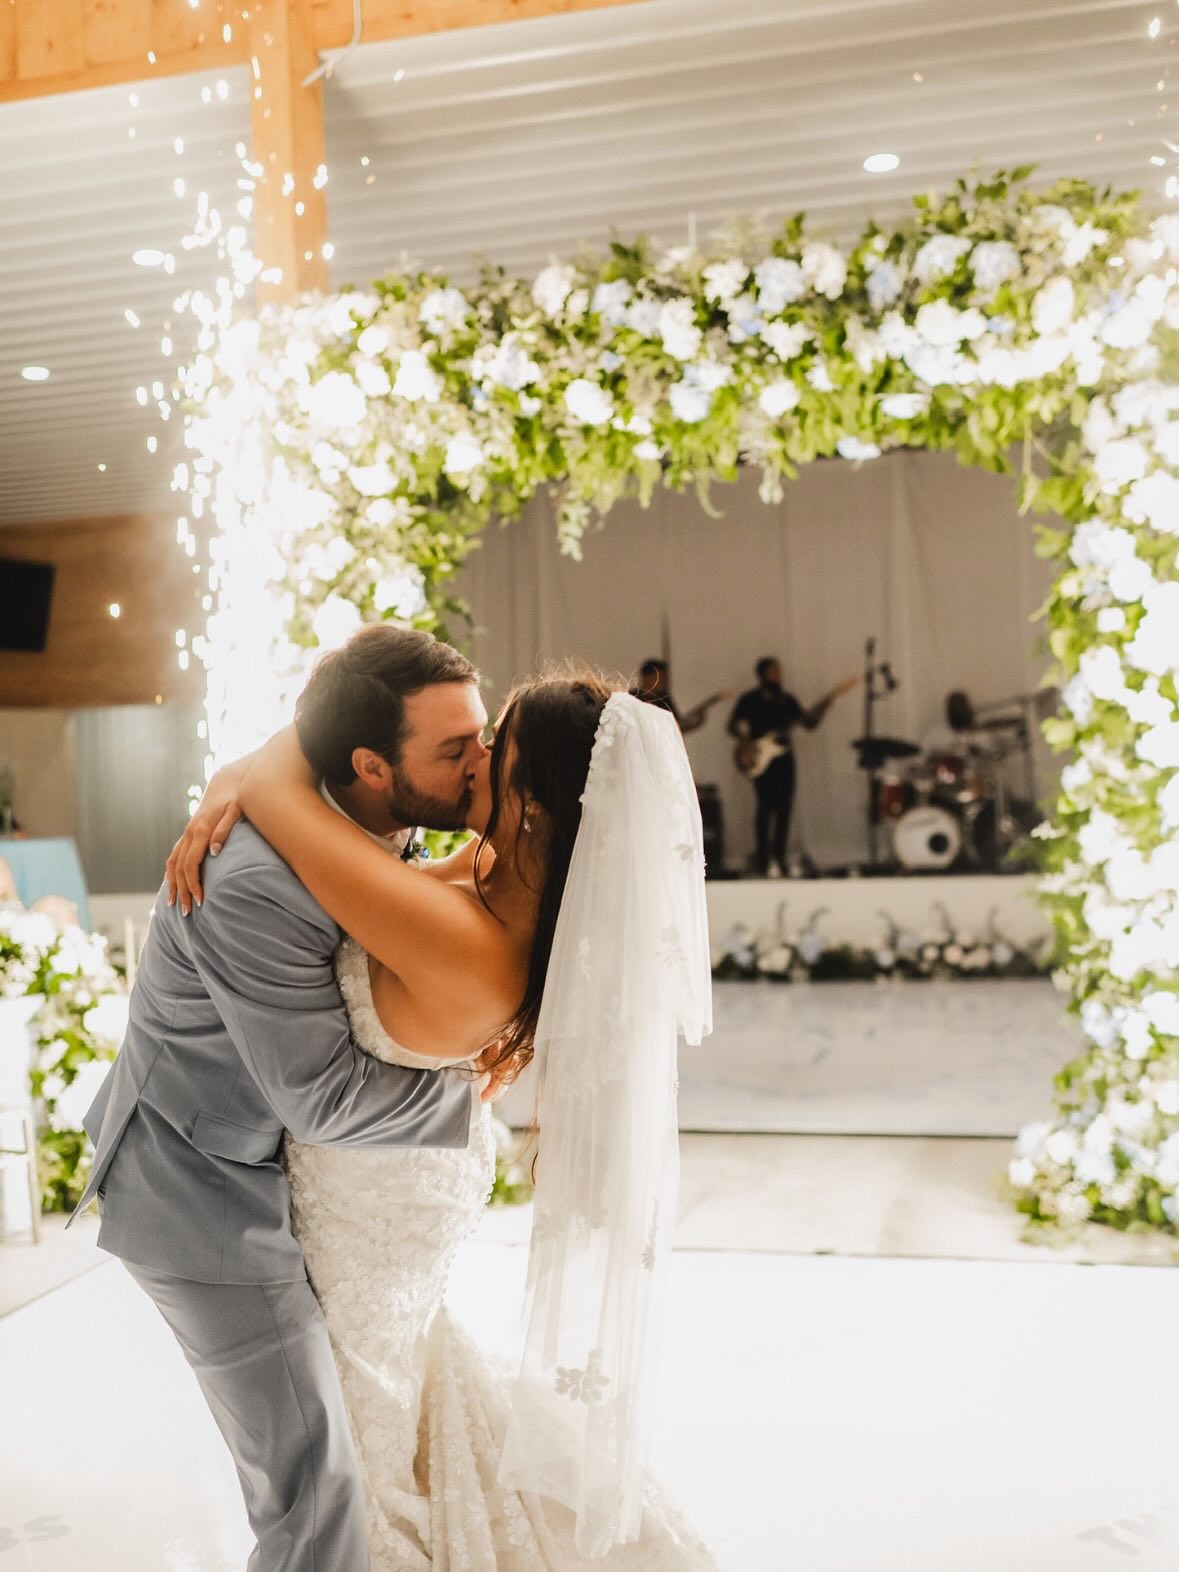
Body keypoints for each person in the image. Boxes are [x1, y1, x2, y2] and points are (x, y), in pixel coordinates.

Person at [163, 658, 717, 1568]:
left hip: (373, 1192)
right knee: (398, 1408)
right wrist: (248, 779)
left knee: (360, 1450)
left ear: (534, 801)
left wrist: (240, 778)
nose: (480, 756)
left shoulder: (468, 940)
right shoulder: (505, 874)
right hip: (394, 1177)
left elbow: (281, 794)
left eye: (495, 742)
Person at [72, 628, 488, 1572]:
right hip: (201, 1191)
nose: (481, 762)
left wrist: (256, 764)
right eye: (455, 748)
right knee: (317, 1488)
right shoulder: (250, 880)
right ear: (372, 767)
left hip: (298, 1188)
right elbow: (321, 1099)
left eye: (482, 733)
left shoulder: (381, 814)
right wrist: (486, 1093)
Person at [729, 656, 858, 878]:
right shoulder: (749, 699)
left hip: (783, 759)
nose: (778, 676)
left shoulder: (786, 700)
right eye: (773, 672)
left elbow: (808, 722)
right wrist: (746, 741)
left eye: (779, 672)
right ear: (761, 675)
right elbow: (732, 725)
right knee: (764, 808)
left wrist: (828, 702)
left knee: (784, 809)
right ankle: (762, 858)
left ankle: (779, 857)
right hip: (760, 758)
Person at [631, 658, 732, 735]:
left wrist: (696, 724)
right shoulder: (631, 697)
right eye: (660, 677)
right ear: (648, 677)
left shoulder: (664, 698)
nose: (663, 681)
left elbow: (675, 728)